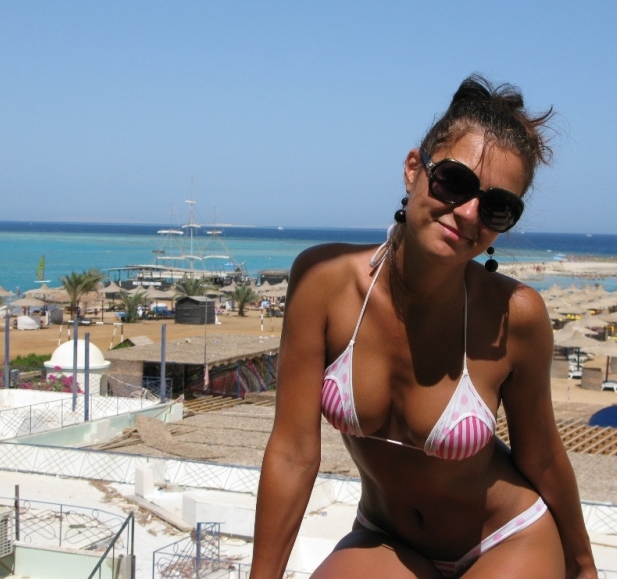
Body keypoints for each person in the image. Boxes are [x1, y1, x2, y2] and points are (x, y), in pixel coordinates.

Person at [252, 75, 597, 578]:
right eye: (455, 182)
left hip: (506, 539)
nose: (469, 213)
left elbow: (541, 456)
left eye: (497, 207)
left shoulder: (515, 315)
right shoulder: (322, 282)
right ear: (414, 169)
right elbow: (292, 453)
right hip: (385, 536)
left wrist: (583, 566)